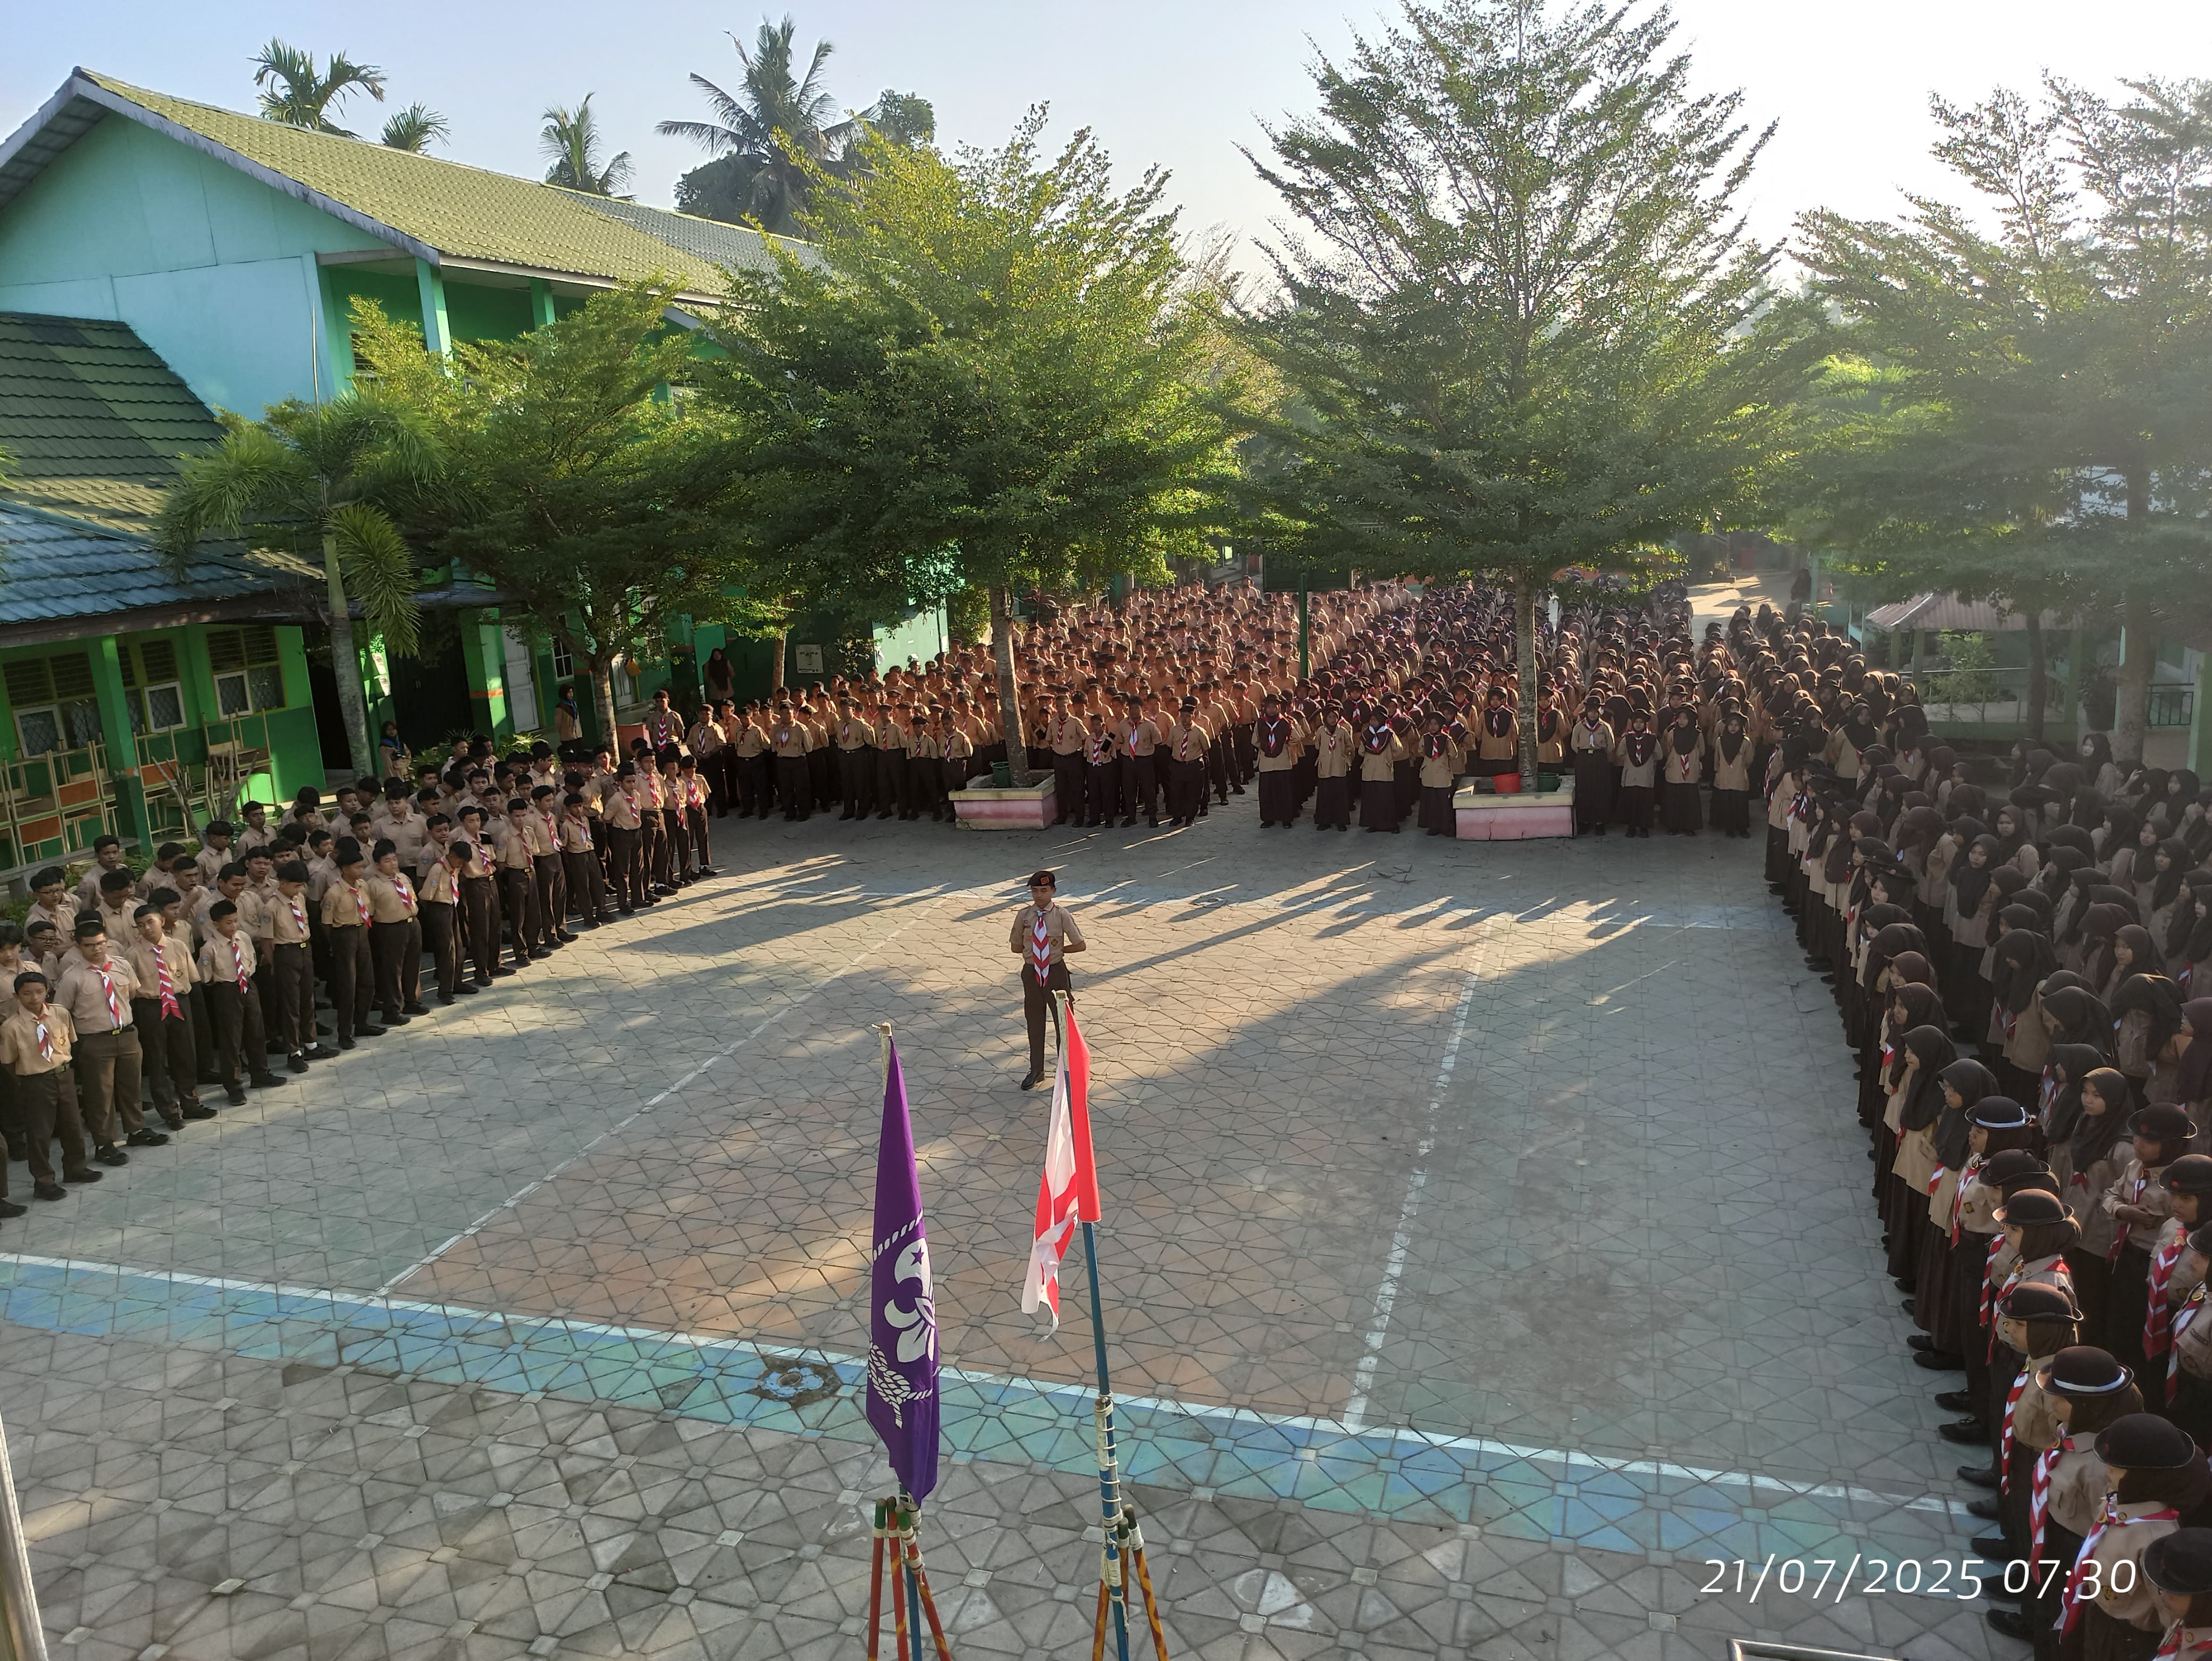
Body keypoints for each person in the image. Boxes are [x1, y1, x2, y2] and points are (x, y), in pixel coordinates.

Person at [1010, 870, 1085, 1092]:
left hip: (1055, 972)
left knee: (1063, 1022)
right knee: (1034, 1021)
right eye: (1035, 891)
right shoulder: (1024, 916)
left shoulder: (1061, 915)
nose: (1039, 896)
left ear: (1053, 891)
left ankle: (1066, 1071)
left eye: (1044, 890)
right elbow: (1015, 946)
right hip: (1032, 973)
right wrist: (1035, 951)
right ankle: (1036, 1070)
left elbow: (1080, 944)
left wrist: (1058, 951)